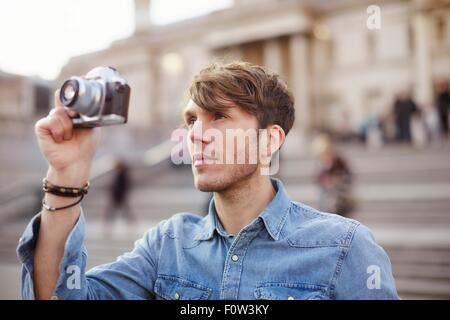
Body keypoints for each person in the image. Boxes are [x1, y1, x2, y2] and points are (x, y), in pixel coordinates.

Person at [17, 62, 398, 300]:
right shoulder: (167, 246)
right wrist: (67, 174)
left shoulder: (345, 248)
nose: (195, 134)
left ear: (270, 140)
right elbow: (59, 296)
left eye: (218, 117)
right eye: (191, 120)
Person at [312, 134, 355, 218]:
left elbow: (347, 175)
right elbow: (318, 178)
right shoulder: (320, 163)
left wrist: (335, 180)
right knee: (325, 203)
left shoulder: (338, 160)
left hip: (340, 192)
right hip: (327, 193)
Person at [104, 159, 134, 224]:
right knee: (114, 211)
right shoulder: (119, 175)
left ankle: (131, 222)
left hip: (119, 196)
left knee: (122, 211)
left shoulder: (122, 176)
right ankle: (108, 223)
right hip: (116, 195)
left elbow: (122, 186)